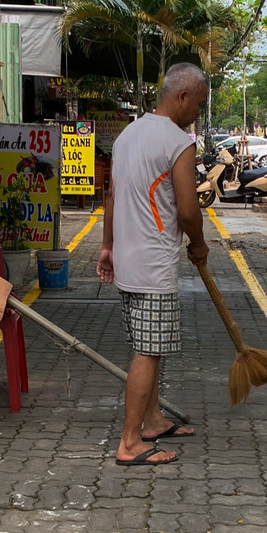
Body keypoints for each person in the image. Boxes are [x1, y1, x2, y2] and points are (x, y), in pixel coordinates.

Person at [96, 63, 209, 466]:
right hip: (153, 263)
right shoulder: (177, 140)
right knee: (147, 350)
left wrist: (107, 246)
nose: (197, 111)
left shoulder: (128, 135)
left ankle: (153, 421)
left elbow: (111, 196)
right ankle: (130, 443)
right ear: (181, 97)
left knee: (150, 346)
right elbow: (188, 209)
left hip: (128, 259)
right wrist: (199, 243)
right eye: (198, 103)